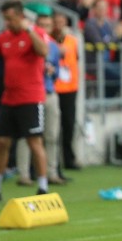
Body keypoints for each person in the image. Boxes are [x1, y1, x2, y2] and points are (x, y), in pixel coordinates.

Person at [0, 0, 51, 202]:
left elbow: (43, 51)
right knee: (1, 142)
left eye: (10, 18)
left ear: (20, 16)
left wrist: (30, 30)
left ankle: (43, 187)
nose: (7, 23)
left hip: (31, 98)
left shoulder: (34, 33)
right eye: (5, 19)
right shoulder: (5, 38)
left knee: (34, 142)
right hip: (9, 98)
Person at [15, 14, 65, 186]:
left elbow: (58, 72)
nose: (44, 28)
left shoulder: (54, 47)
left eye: (48, 25)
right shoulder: (25, 42)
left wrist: (52, 72)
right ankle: (24, 174)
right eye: (41, 25)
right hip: (30, 94)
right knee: (27, 135)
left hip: (49, 92)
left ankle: (51, 172)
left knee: (52, 135)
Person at [52, 11, 81, 176]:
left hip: (70, 87)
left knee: (69, 124)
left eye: (62, 21)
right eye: (57, 21)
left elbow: (75, 60)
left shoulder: (72, 40)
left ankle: (69, 158)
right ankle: (55, 162)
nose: (59, 24)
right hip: (55, 88)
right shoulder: (49, 41)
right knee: (54, 127)